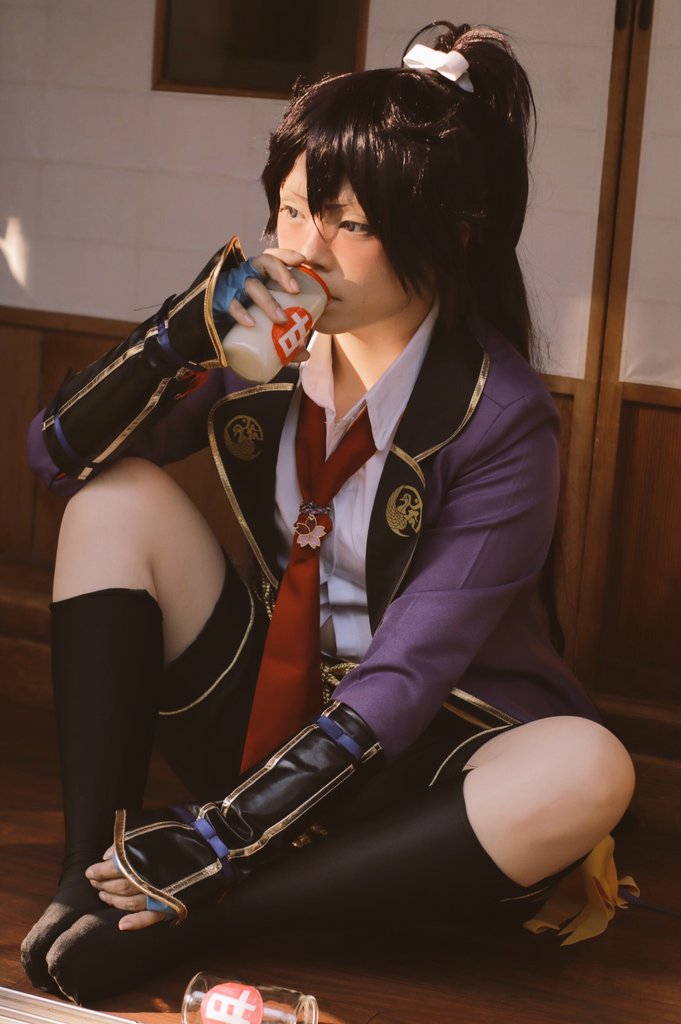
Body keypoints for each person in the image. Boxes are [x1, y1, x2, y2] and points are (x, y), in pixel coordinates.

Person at [22, 21, 635, 1004]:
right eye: (292, 210)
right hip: (271, 720)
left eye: (349, 224)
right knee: (115, 499)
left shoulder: (502, 414)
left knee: (591, 766)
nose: (304, 252)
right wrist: (182, 333)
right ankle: (89, 872)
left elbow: (405, 679)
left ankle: (207, 909)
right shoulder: (266, 335)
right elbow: (56, 459)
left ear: (447, 233)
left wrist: (215, 844)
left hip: (423, 764)